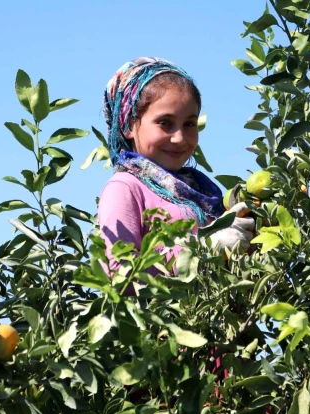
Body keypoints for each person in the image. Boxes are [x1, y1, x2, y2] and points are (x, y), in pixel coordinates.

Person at [98, 57, 254, 279]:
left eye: (189, 124)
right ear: (128, 125)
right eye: (165, 123)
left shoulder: (203, 192)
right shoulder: (125, 187)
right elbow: (118, 272)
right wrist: (203, 249)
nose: (179, 138)